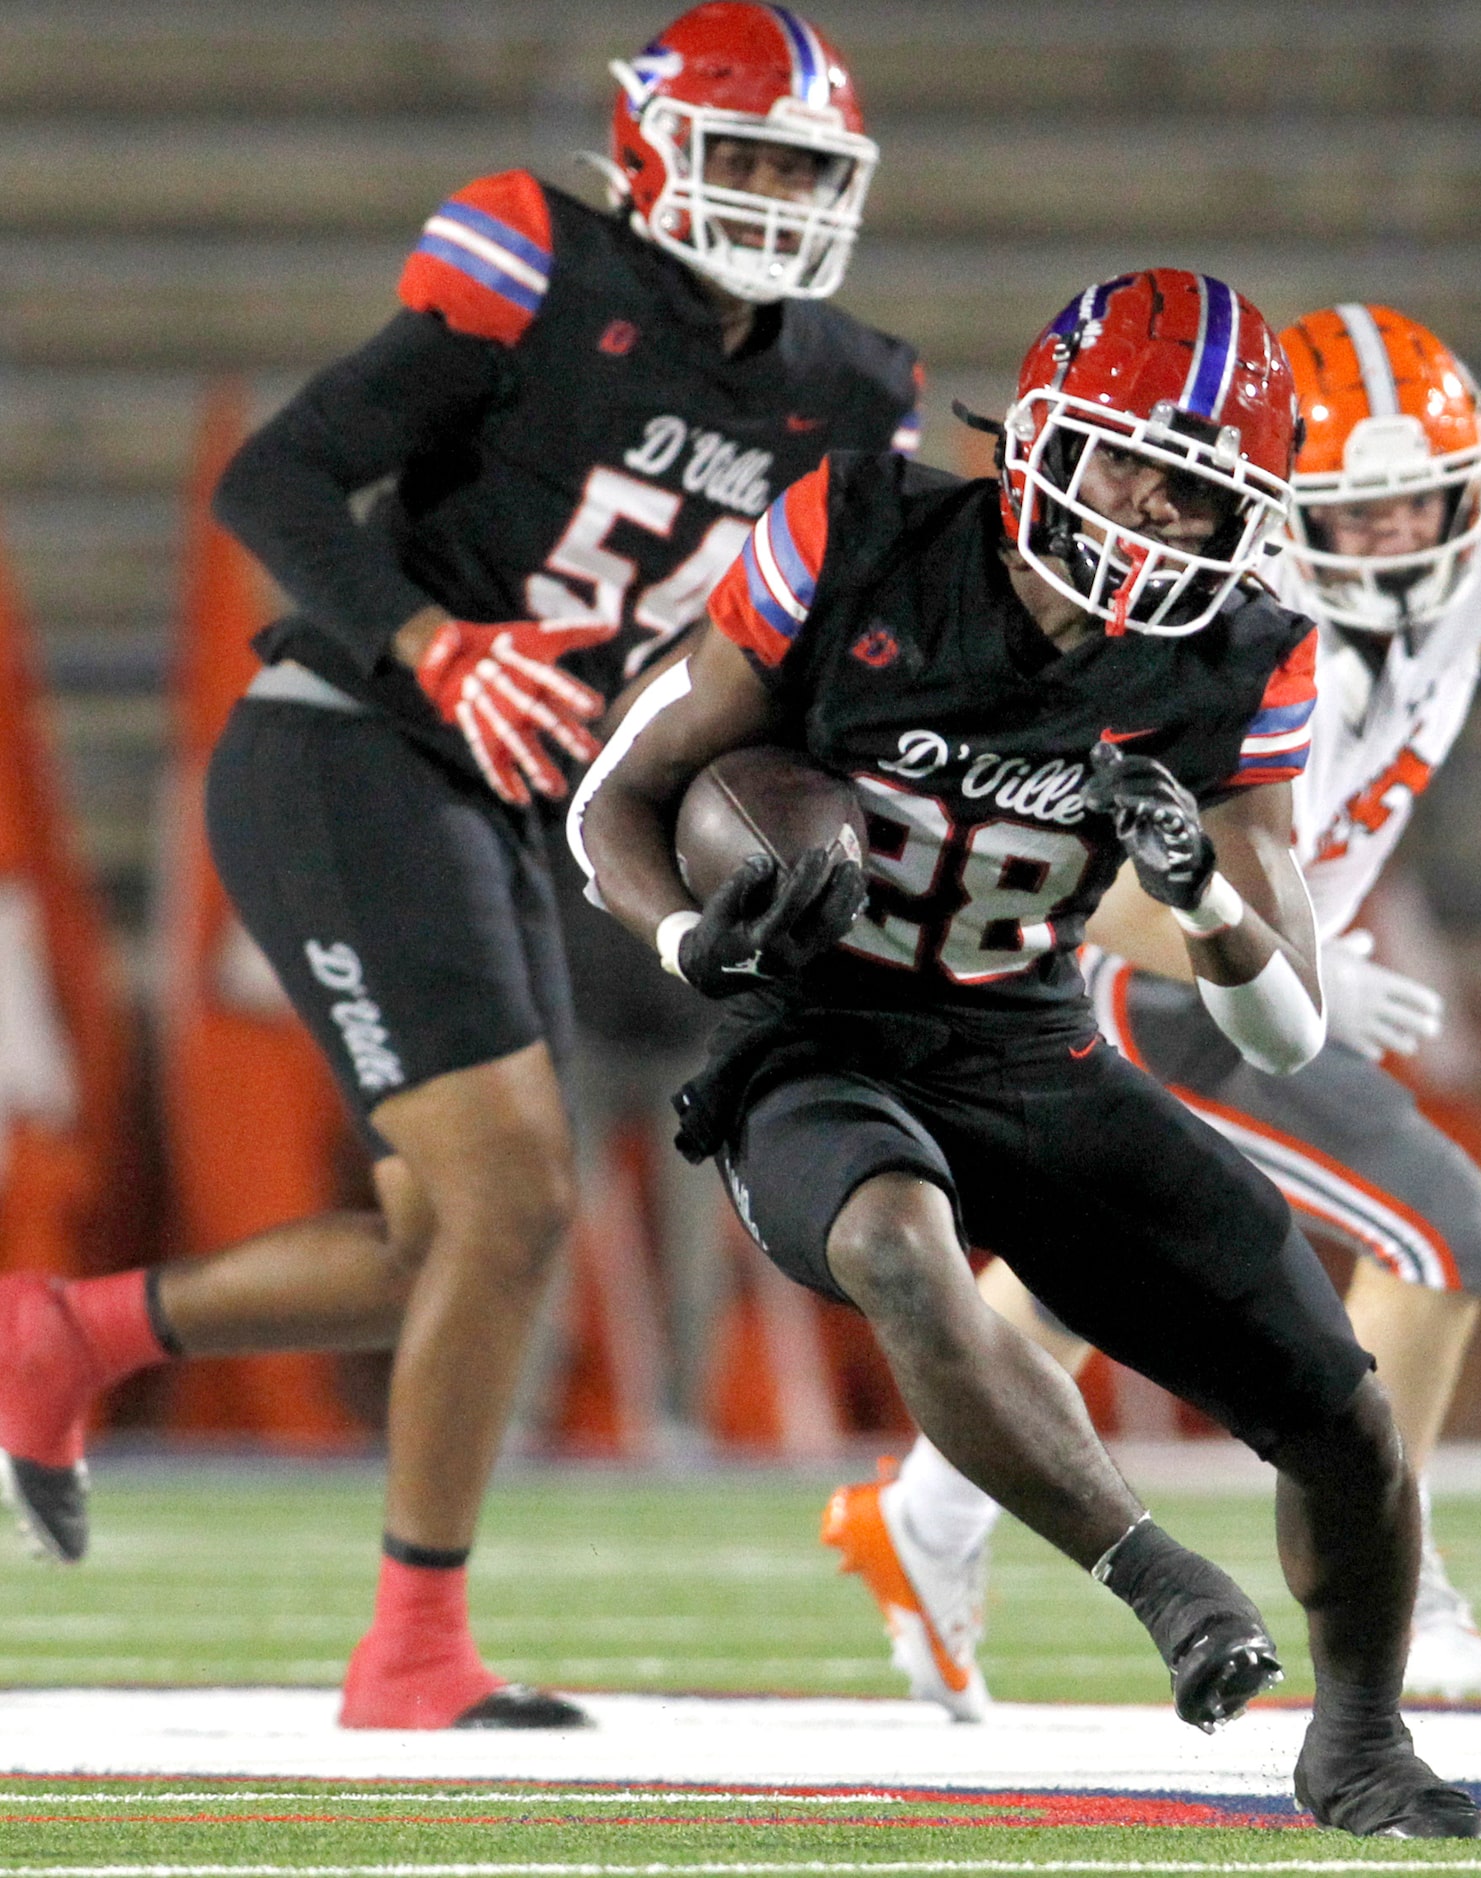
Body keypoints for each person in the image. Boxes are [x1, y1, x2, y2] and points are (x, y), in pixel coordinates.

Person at [0, 1, 918, 1732]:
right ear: (652, 146)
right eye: (754, 157)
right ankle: (412, 1649)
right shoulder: (546, 274)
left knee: (448, 1244)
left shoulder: (845, 389)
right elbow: (275, 480)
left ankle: (69, 1334)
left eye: (811, 166)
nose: (784, 196)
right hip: (346, 745)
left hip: (506, 798)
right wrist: (430, 640)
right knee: (514, 1202)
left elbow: (852, 619)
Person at [824, 300, 1481, 1714]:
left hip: (1255, 961)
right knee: (1443, 1222)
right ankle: (1404, 1567)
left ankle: (931, 1512)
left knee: (1108, 1260)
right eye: (1361, 511)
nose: (1397, 540)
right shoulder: (1217, 624)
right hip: (1167, 977)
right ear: (1276, 510)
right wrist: (1264, 946)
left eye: (1422, 506)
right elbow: (1061, 873)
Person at [573, 269, 1481, 1838]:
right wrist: (683, 937)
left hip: (1027, 1037)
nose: (1151, 514)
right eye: (1129, 461)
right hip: (820, 1035)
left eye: (1196, 492)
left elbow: (1288, 1022)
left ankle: (1361, 1740)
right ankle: (1158, 1578)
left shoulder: (1239, 652)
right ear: (1039, 434)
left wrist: (1199, 887)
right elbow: (617, 797)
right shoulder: (857, 532)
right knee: (892, 1238)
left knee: (1337, 1404)